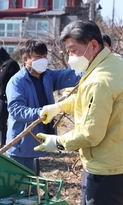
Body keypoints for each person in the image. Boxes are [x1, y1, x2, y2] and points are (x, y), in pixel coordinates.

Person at [34, 20, 123, 205]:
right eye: (68, 51)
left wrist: (57, 142)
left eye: (73, 50)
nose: (70, 57)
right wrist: (59, 106)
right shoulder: (114, 63)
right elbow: (88, 99)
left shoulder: (99, 80)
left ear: (93, 45)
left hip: (106, 172)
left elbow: (91, 135)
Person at [5, 39, 81, 172]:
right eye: (38, 57)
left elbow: (71, 75)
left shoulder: (47, 76)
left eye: (45, 56)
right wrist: (41, 112)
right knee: (24, 186)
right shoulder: (17, 82)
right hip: (22, 142)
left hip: (37, 139)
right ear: (25, 58)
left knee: (33, 181)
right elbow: (16, 110)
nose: (43, 60)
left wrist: (93, 66)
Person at [0, 47, 20, 150]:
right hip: (1, 98)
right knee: (0, 119)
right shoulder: (0, 67)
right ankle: (3, 143)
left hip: (11, 98)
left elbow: (16, 80)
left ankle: (14, 143)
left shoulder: (11, 64)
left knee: (14, 121)